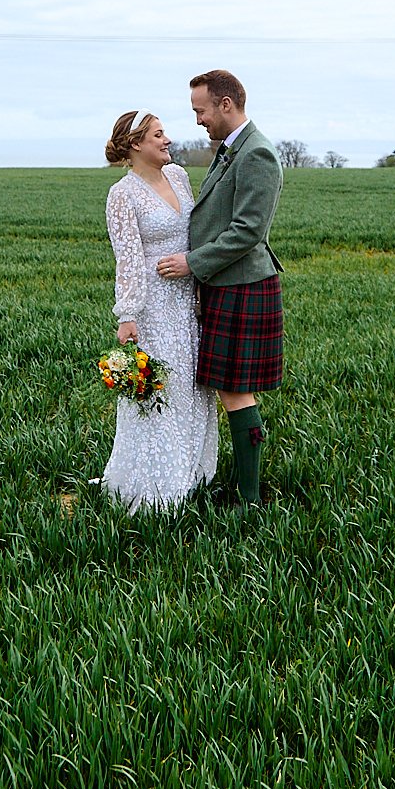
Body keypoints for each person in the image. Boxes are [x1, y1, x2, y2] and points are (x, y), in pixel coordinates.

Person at [156, 70, 283, 506]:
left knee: (234, 388)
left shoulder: (257, 154)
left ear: (225, 105)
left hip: (242, 284)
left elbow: (248, 230)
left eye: (201, 110)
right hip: (226, 283)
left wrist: (192, 262)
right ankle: (241, 486)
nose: (198, 120)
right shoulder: (232, 150)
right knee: (230, 387)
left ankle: (249, 498)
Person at [101, 110, 219, 510]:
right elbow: (128, 259)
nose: (167, 140)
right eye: (158, 134)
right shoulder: (123, 195)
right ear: (136, 145)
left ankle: (194, 477)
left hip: (189, 301)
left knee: (192, 387)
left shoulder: (180, 177)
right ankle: (155, 489)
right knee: (158, 391)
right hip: (153, 307)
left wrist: (198, 272)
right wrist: (128, 314)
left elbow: (196, 232)